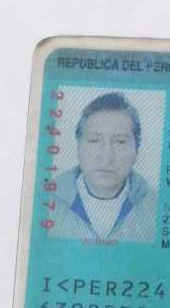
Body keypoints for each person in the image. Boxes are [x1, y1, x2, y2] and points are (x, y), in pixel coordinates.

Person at [50, 92, 157, 242]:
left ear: (136, 150)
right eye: (94, 140)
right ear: (78, 147)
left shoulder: (156, 209)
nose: (106, 157)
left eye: (120, 141)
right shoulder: (46, 201)